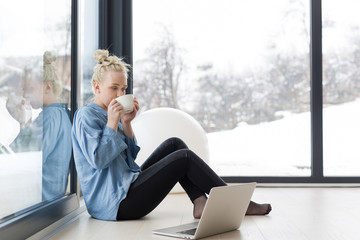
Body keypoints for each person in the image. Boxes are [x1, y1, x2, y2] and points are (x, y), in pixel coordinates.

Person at [72, 49, 272, 221]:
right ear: (97, 87)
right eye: (113, 88)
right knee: (183, 158)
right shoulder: (86, 116)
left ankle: (199, 201)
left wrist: (126, 123)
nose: (119, 94)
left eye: (123, 88)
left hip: (127, 187)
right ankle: (238, 203)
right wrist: (112, 123)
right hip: (115, 205)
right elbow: (98, 160)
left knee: (175, 144)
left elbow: (130, 158)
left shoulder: (113, 115)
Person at [7, 51, 72, 201]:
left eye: (29, 89)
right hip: (48, 201)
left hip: (40, 202)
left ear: (48, 87)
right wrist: (23, 122)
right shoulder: (60, 114)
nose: (24, 94)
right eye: (23, 89)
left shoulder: (50, 117)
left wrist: (23, 121)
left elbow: (22, 158)